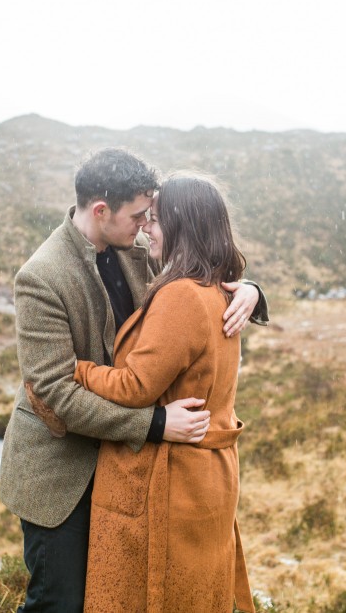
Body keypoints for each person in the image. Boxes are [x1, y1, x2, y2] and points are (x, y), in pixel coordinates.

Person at [0, 148, 267, 613]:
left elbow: (198, 275)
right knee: (58, 603)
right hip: (61, 469)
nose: (146, 226)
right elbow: (56, 394)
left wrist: (250, 291)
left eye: (151, 217)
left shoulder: (138, 252)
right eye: (139, 216)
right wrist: (155, 425)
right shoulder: (41, 278)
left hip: (122, 468)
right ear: (101, 212)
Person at [73, 172, 255, 613]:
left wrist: (78, 370)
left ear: (180, 226)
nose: (146, 230)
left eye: (154, 221)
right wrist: (253, 289)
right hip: (210, 476)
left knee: (157, 596)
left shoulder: (181, 296)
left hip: (176, 479)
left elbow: (135, 386)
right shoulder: (219, 288)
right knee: (198, 595)